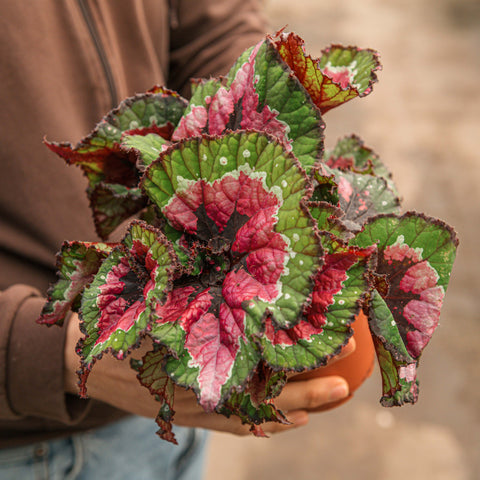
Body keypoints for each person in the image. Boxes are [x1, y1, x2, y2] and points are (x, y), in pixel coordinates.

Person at [0, 1, 353, 478]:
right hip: (30, 443)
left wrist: (247, 113)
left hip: (174, 416)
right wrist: (46, 354)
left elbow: (215, 22)